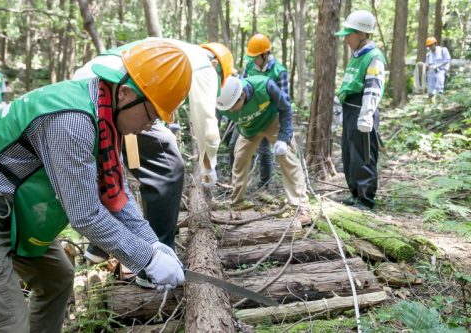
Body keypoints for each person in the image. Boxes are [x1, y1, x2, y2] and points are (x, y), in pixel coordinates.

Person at [0, 40, 192, 332]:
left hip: (11, 207)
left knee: (57, 279)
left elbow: (117, 195)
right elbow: (86, 214)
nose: (150, 127)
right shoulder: (72, 121)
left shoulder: (104, 114)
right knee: (6, 326)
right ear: (125, 94)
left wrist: (153, 244)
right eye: (151, 115)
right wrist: (145, 259)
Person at [73, 39, 234, 282]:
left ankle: (100, 248)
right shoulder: (202, 65)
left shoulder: (180, 50)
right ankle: (156, 259)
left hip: (96, 89)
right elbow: (207, 125)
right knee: (167, 165)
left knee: (112, 169)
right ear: (216, 64)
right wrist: (208, 164)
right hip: (114, 94)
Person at [216, 75, 311, 225]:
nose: (231, 112)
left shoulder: (264, 86)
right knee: (240, 159)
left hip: (272, 121)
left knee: (288, 158)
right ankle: (237, 203)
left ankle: (301, 207)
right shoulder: (222, 101)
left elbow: (286, 107)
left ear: (241, 95)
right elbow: (212, 126)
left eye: (232, 107)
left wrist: (283, 138)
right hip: (248, 130)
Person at [335, 10, 386, 210]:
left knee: (364, 155)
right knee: (349, 155)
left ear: (362, 34)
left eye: (350, 34)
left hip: (363, 110)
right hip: (350, 111)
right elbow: (349, 83)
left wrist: (366, 115)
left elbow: (373, 87)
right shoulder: (357, 56)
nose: (346, 39)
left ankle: (366, 199)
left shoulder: (373, 57)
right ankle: (355, 193)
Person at [227, 34, 290, 190]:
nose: (253, 60)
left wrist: (283, 131)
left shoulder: (278, 71)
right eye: (252, 57)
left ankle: (265, 185)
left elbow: (284, 99)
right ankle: (235, 184)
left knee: (264, 150)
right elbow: (240, 86)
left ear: (265, 54)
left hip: (267, 116)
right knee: (233, 146)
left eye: (256, 57)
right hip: (246, 114)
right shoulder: (249, 67)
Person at [425, 36, 451, 104]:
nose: (430, 47)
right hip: (432, 72)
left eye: (431, 45)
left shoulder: (443, 50)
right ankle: (432, 103)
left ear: (435, 44)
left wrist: (437, 66)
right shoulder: (428, 55)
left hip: (441, 71)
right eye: (429, 46)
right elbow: (427, 63)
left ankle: (440, 103)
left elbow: (447, 60)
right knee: (431, 90)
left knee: (439, 88)